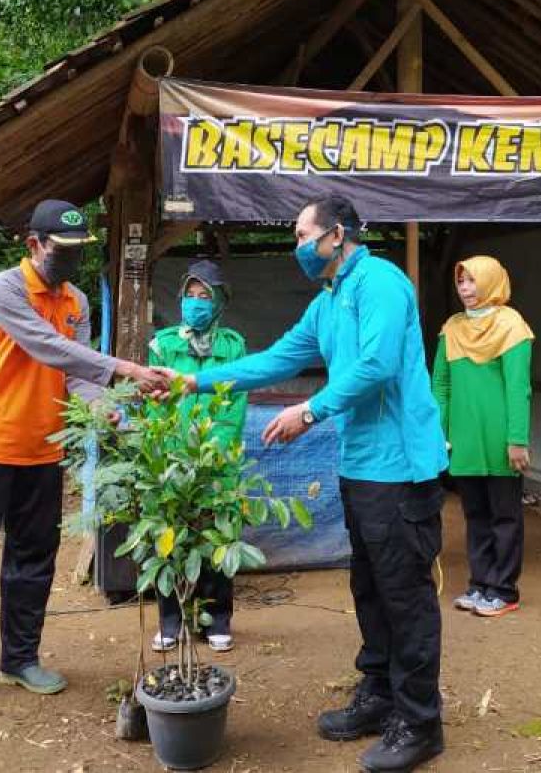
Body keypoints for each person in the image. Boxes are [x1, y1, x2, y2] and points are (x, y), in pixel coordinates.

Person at [180, 194, 448, 772]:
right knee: (370, 589)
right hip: (360, 468)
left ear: (338, 234)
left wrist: (310, 410)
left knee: (405, 596)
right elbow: (274, 360)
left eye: (303, 234)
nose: (297, 245)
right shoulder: (328, 302)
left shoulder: (381, 281)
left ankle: (421, 721)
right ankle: (378, 695)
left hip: (400, 468)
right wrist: (193, 383)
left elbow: (376, 365)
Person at [0, 199, 174, 714]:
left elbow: (74, 376)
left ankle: (20, 658)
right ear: (33, 245)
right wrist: (125, 369)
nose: (71, 263)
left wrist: (107, 410)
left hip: (42, 450)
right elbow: (45, 348)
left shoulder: (75, 299)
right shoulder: (3, 290)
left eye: (80, 253)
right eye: (62, 251)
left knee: (33, 561)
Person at [148, 260, 246, 653]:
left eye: (205, 296)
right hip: (173, 459)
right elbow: (156, 402)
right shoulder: (164, 344)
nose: (196, 303)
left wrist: (212, 450)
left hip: (218, 463)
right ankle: (171, 621)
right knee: (170, 539)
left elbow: (234, 404)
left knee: (219, 536)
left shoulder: (233, 346)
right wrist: (172, 452)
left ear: (220, 301)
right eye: (190, 295)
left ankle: (217, 619)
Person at [432, 256, 534, 619]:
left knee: (504, 516)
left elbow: (518, 388)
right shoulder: (452, 328)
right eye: (461, 282)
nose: (466, 289)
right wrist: (438, 434)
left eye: (473, 281)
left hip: (500, 439)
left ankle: (504, 590)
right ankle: (480, 584)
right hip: (463, 440)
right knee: (474, 515)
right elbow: (440, 386)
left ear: (492, 282)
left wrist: (517, 439)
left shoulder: (512, 326)